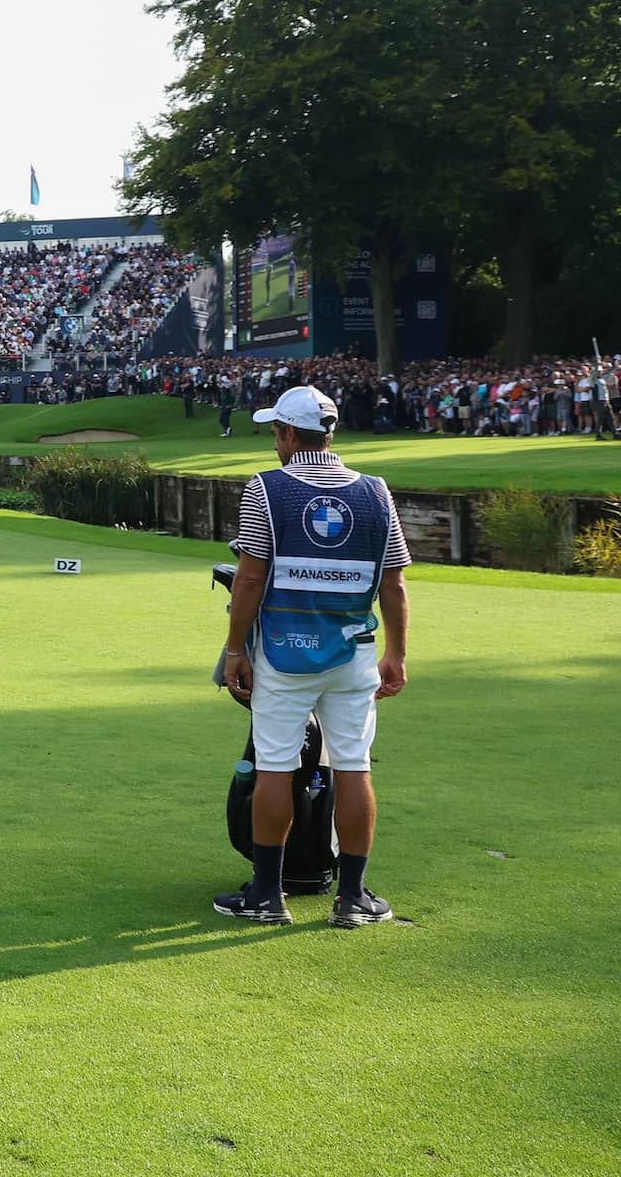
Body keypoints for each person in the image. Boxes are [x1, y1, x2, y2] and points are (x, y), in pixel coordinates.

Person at [214, 385, 412, 930]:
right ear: (330, 434)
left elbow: (250, 579)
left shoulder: (267, 488)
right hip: (354, 651)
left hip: (282, 651)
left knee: (276, 766)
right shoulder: (376, 491)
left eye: (274, 431)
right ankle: (353, 898)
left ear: (285, 434)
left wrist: (235, 650)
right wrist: (398, 653)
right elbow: (392, 584)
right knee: (353, 765)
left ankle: (267, 895)